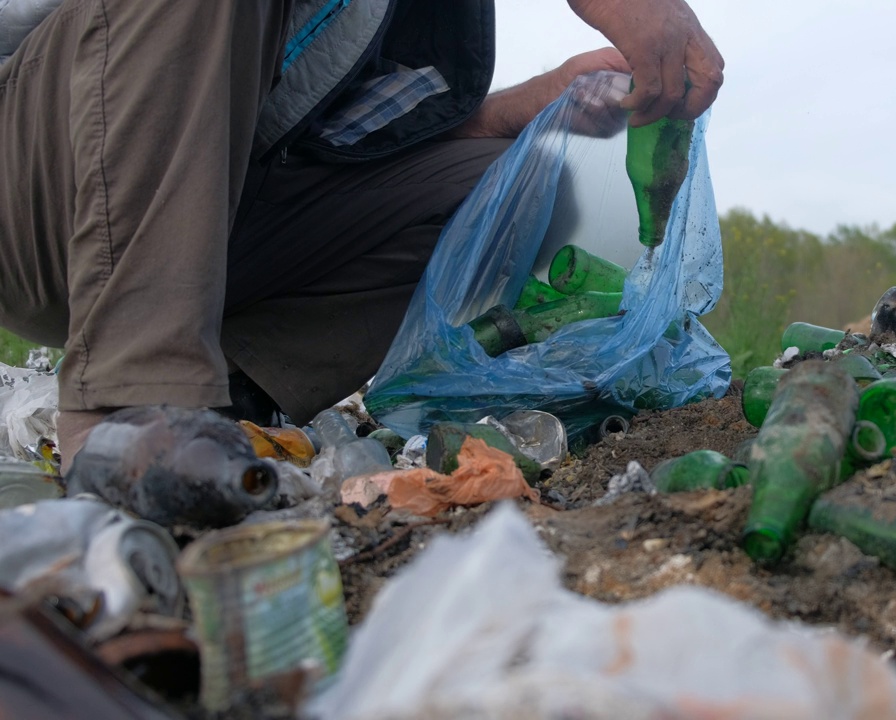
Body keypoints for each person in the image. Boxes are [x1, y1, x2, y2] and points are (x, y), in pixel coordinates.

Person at [0, 0, 724, 468]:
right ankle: (121, 425)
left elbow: (345, 150)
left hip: (200, 226)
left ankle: (230, 400)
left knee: (508, 186)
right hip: (32, 184)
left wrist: (520, 109)